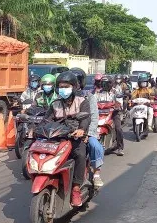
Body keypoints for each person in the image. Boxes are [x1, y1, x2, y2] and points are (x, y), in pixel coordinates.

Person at [45, 71, 91, 206]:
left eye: (66, 86)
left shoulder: (82, 102)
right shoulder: (55, 104)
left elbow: (86, 118)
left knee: (80, 154)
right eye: (60, 86)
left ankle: (76, 188)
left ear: (74, 87)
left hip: (74, 137)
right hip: (57, 137)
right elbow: (46, 120)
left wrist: (81, 130)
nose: (63, 89)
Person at [70, 68, 104, 186]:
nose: (75, 84)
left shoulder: (89, 96)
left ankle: (96, 174)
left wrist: (87, 134)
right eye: (73, 82)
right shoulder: (63, 97)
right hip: (67, 131)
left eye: (77, 81)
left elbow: (94, 117)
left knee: (95, 146)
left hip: (86, 131)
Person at [95, 75, 124, 157]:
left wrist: (117, 106)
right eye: (103, 84)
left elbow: (119, 101)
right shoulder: (98, 93)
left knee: (118, 128)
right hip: (100, 113)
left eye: (106, 84)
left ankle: (120, 147)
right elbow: (93, 101)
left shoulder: (115, 92)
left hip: (113, 112)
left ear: (110, 84)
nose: (104, 86)